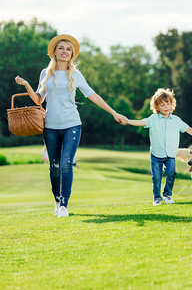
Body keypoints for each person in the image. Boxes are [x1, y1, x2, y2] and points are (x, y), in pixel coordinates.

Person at [15, 34, 128, 217]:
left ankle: (64, 206)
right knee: (55, 166)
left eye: (68, 49)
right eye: (61, 48)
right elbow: (38, 99)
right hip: (50, 126)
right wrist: (27, 84)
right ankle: (57, 200)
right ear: (54, 52)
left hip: (72, 124)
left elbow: (92, 95)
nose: (65, 51)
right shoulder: (46, 73)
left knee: (66, 164)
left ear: (72, 54)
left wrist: (114, 113)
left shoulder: (75, 75)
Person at [127, 88, 192, 205]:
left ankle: (167, 195)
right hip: (156, 155)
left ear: (171, 104)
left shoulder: (176, 120)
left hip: (170, 155)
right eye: (162, 105)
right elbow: (141, 122)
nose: (166, 107)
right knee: (156, 178)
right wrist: (127, 121)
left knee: (171, 174)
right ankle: (157, 198)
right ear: (157, 107)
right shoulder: (153, 119)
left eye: (168, 103)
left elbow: (189, 129)